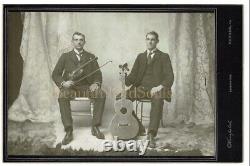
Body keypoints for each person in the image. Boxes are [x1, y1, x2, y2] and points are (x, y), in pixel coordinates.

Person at [116, 31, 174, 148]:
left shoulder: (164, 56)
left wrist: (159, 87)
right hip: (141, 88)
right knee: (120, 99)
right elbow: (132, 77)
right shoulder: (141, 56)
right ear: (145, 41)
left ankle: (151, 135)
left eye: (153, 39)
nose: (150, 41)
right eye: (148, 39)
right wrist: (124, 78)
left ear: (157, 41)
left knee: (158, 100)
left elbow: (170, 77)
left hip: (157, 89)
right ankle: (139, 127)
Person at [52, 32, 106, 145]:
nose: (79, 42)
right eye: (76, 40)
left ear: (84, 42)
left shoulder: (90, 57)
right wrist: (63, 83)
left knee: (101, 94)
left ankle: (95, 126)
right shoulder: (65, 56)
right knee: (62, 96)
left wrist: (96, 83)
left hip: (87, 87)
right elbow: (55, 74)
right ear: (72, 42)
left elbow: (98, 74)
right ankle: (68, 130)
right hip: (71, 87)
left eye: (81, 40)